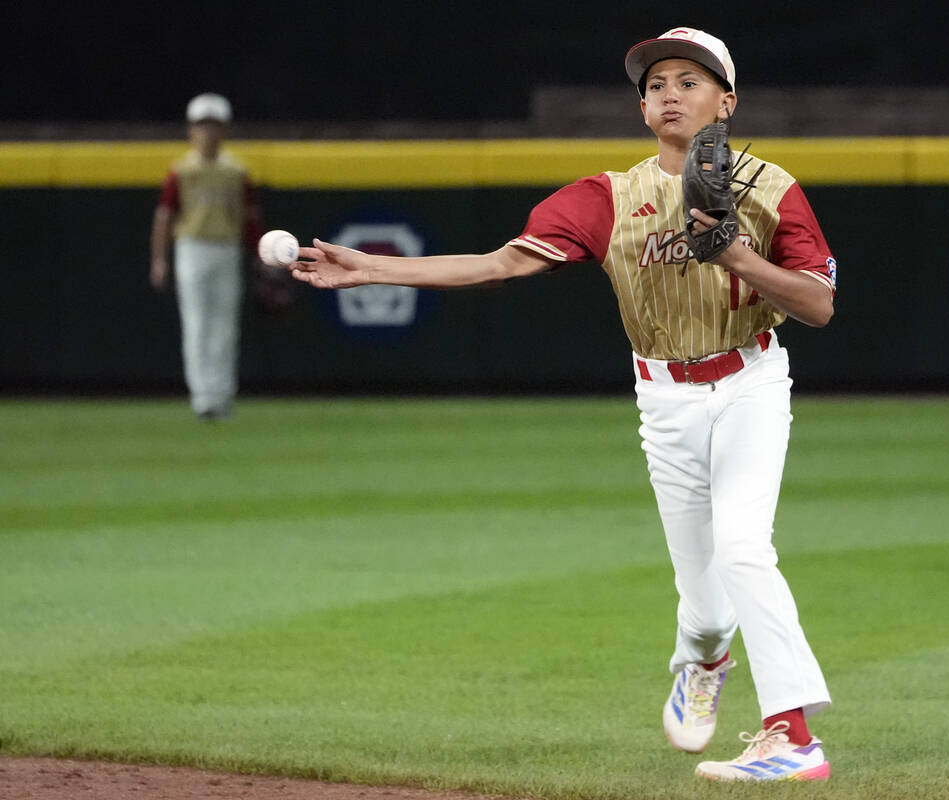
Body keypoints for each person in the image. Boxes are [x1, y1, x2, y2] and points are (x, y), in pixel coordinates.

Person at [287, 27, 836, 782]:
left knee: (744, 547)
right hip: (665, 401)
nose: (669, 94)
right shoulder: (609, 196)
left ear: (727, 101)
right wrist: (371, 268)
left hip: (749, 383)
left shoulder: (772, 189)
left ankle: (791, 734)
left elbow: (819, 306)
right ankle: (705, 658)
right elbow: (500, 262)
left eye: (688, 80)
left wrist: (736, 253)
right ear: (643, 109)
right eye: (656, 85)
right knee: (706, 606)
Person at [150, 93, 265, 421]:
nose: (208, 132)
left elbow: (250, 218)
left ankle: (222, 394)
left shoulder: (236, 171)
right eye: (202, 125)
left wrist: (260, 257)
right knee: (197, 324)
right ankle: (203, 398)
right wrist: (159, 259)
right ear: (191, 130)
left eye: (214, 125)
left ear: (225, 130)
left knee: (224, 327)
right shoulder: (181, 171)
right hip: (192, 247)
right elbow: (164, 218)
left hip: (226, 248)